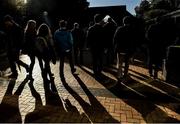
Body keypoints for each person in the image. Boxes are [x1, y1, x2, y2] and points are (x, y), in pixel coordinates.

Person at [113, 16, 137, 80]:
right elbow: (134, 41)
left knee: (120, 63)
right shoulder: (133, 29)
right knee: (127, 63)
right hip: (128, 50)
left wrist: (115, 48)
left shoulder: (119, 29)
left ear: (123, 22)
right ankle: (125, 75)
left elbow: (115, 39)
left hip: (120, 49)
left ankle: (119, 76)